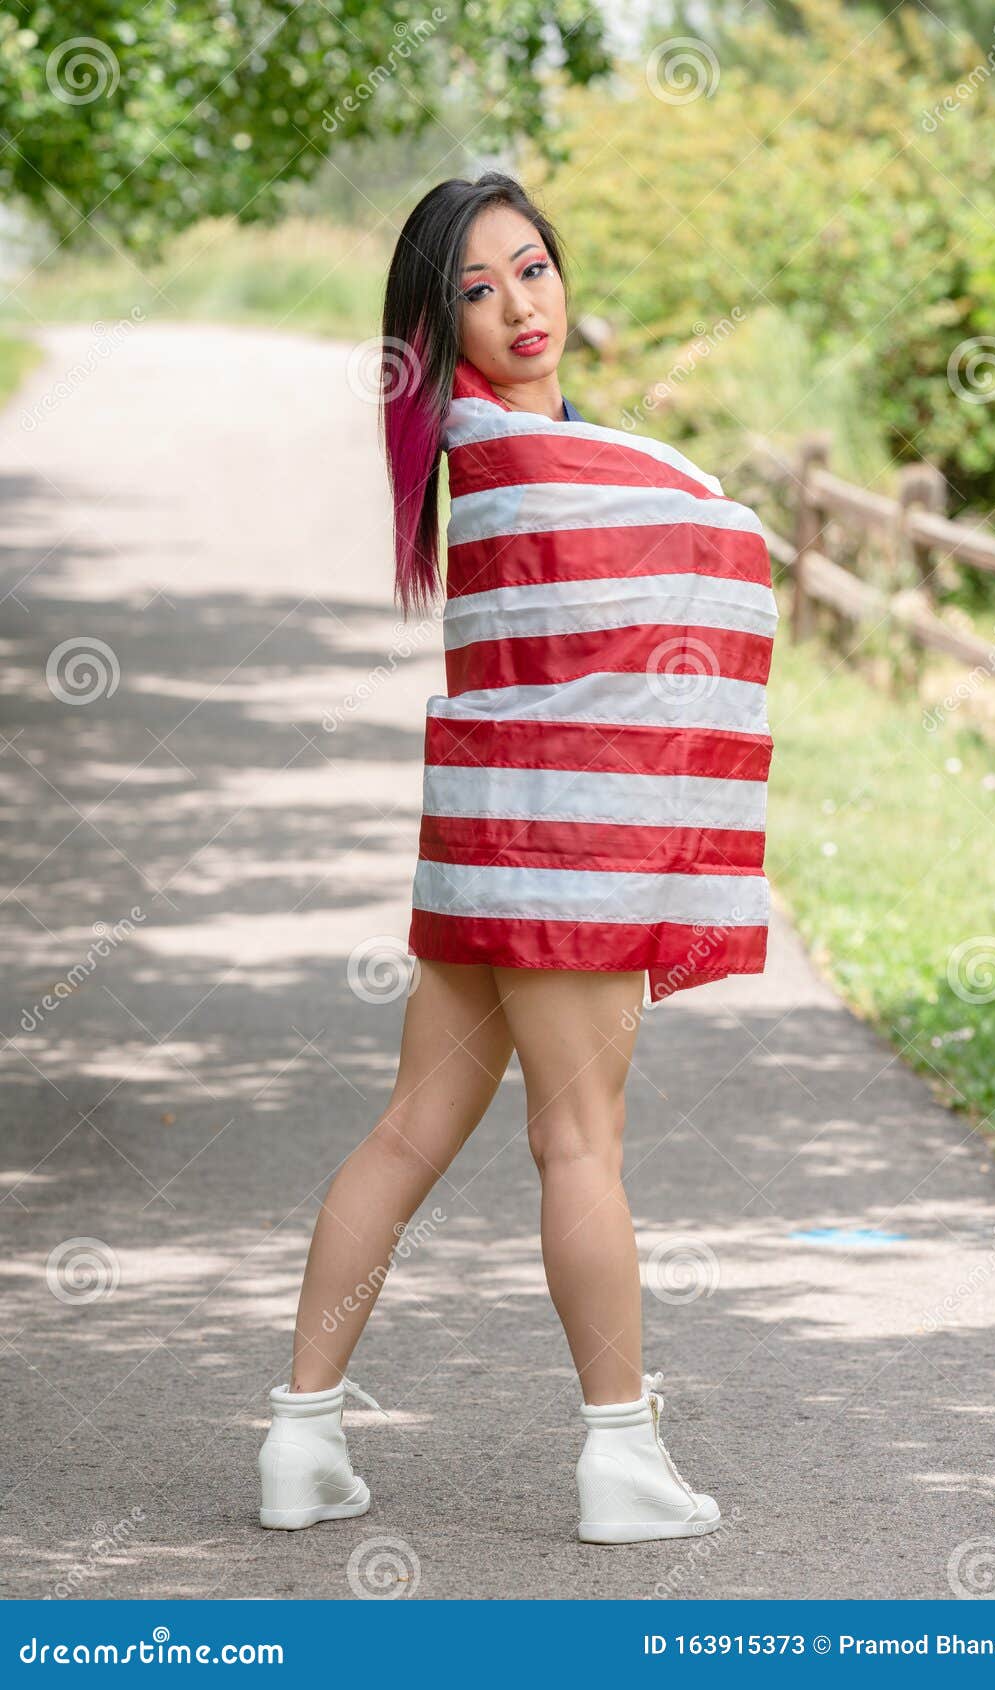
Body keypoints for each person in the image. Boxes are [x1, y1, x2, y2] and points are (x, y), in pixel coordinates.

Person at [258, 172, 777, 1543]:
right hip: (566, 855)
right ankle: (620, 1455)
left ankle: (299, 1437)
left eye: (532, 268)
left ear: (562, 273)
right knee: (578, 1138)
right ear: (441, 326)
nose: (519, 305)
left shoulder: (479, 454)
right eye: (476, 290)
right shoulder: (522, 458)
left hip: (485, 849)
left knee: (414, 1126)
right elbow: (715, 536)